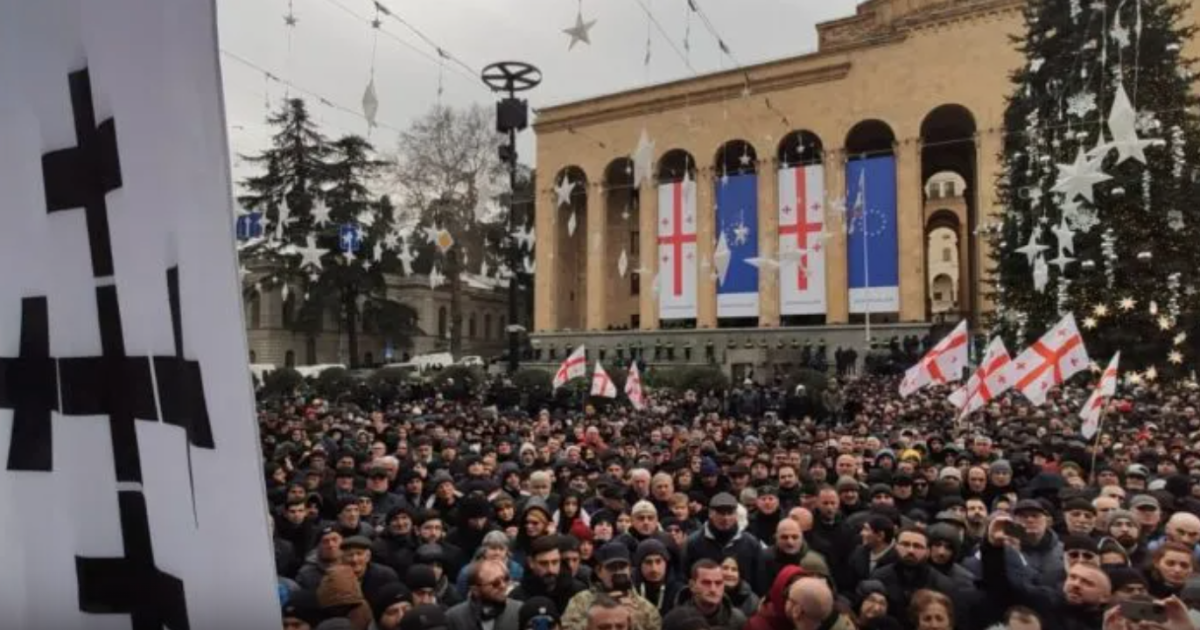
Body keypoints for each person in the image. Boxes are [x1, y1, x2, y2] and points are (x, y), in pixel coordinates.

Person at [562, 543, 662, 630]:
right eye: (612, 567)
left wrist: (633, 622)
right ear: (599, 571)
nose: (618, 572)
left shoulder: (644, 607)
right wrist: (599, 617)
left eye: (622, 567)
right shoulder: (580, 601)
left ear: (630, 569)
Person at [684, 494, 764, 596]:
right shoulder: (694, 542)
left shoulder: (750, 543)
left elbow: (758, 579)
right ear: (710, 513)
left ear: (736, 515)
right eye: (720, 513)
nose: (726, 518)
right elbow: (686, 576)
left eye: (730, 513)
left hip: (742, 603)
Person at [511, 535, 587, 614]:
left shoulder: (578, 592)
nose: (550, 569)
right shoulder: (517, 597)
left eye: (555, 562)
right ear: (531, 563)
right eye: (543, 563)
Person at [446, 560, 522, 630]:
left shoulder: (519, 610)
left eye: (505, 579)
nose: (503, 586)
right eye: (495, 583)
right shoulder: (454, 617)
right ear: (475, 590)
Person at [672, 559, 746, 630]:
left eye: (718, 583)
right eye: (706, 583)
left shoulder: (737, 620)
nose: (713, 589)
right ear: (692, 586)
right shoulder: (675, 620)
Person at [633, 538, 682, 617]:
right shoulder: (632, 592)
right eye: (648, 562)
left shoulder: (679, 593)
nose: (654, 569)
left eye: (658, 561)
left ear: (666, 563)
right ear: (639, 565)